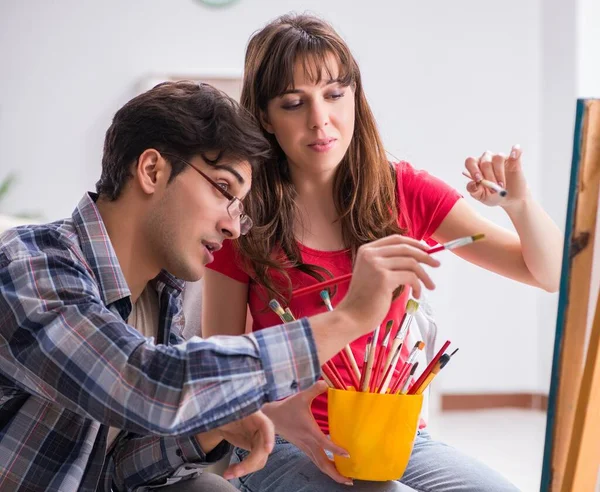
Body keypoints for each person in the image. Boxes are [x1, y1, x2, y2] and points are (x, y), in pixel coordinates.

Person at [0, 81, 440, 491]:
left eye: (240, 207)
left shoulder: (159, 300)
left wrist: (209, 427)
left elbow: (115, 470)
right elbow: (149, 383)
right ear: (152, 170)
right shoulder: (31, 267)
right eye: (223, 190)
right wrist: (348, 318)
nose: (234, 227)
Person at [202, 13, 562, 492]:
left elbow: (553, 274)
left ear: (355, 97)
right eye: (294, 103)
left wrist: (519, 204)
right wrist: (273, 411)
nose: (320, 120)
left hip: (396, 437)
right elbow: (219, 369)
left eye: (334, 94)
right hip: (285, 439)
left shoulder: (400, 189)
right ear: (265, 117)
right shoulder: (241, 216)